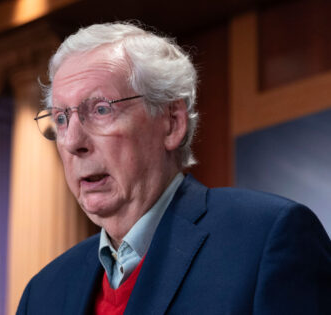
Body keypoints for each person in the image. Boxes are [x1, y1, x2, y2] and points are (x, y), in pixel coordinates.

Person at [17, 22, 331, 314]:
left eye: (100, 110)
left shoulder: (265, 240)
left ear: (172, 123)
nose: (72, 142)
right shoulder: (43, 293)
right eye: (61, 118)